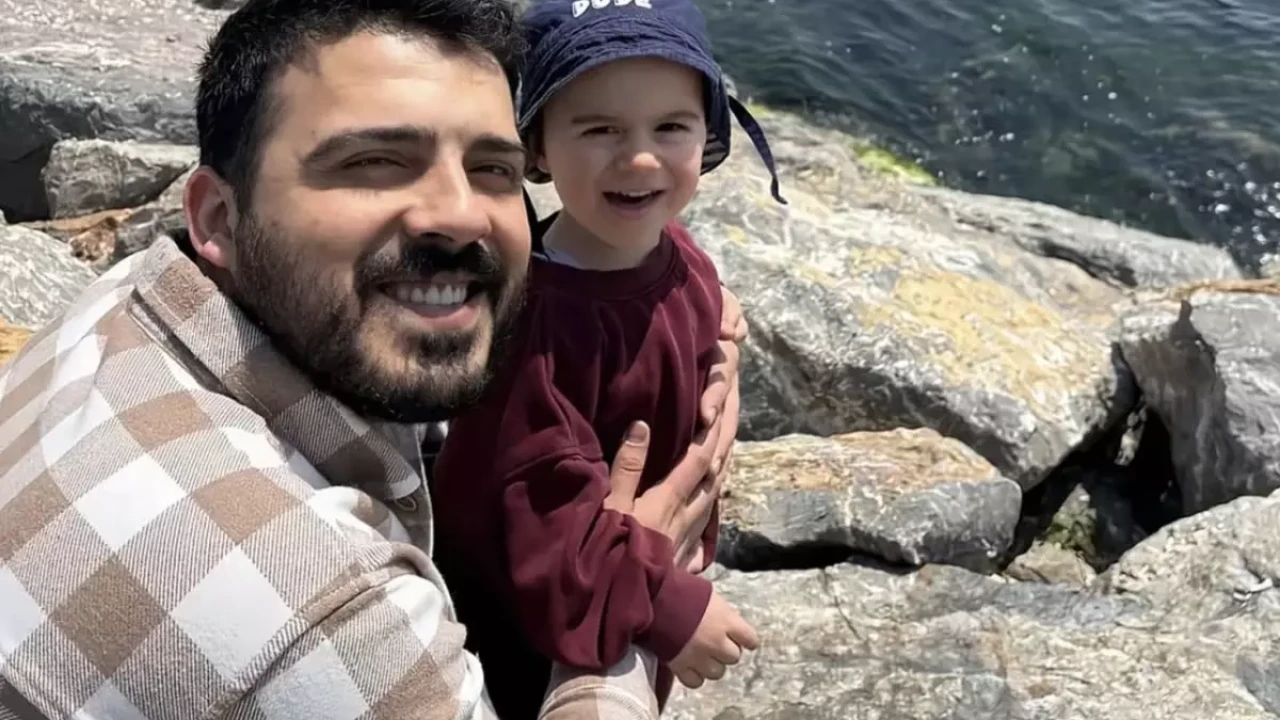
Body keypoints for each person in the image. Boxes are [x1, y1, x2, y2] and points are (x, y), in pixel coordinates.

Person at [0, 0, 749, 717]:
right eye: (376, 161)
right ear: (219, 216)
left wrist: (710, 337)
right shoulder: (319, 616)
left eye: (492, 169)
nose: (458, 216)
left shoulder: (123, 300)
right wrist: (633, 587)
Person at [431, 0, 785, 716]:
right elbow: (544, 522)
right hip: (533, 618)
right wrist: (666, 603)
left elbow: (681, 312)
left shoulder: (672, 246)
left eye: (671, 127)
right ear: (536, 147)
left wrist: (721, 318)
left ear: (709, 131)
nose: (641, 158)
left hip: (635, 550)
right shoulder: (537, 331)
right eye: (600, 129)